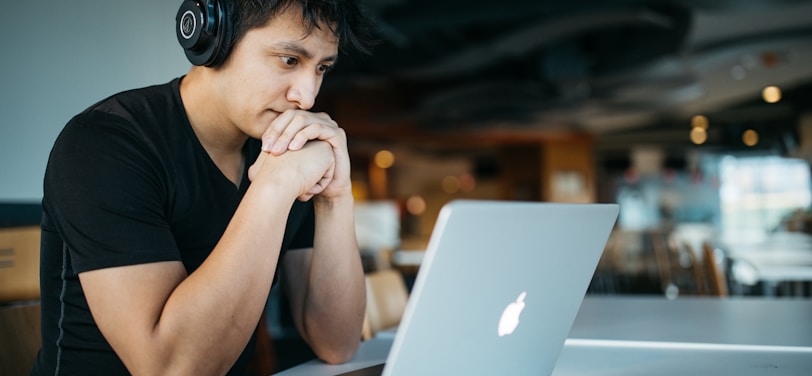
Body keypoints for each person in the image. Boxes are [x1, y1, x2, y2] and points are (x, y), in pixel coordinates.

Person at [32, 0, 375, 374]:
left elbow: (337, 343)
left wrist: (335, 197)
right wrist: (275, 186)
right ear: (213, 38)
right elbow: (171, 368)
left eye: (322, 68)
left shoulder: (284, 149)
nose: (306, 97)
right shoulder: (106, 143)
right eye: (289, 60)